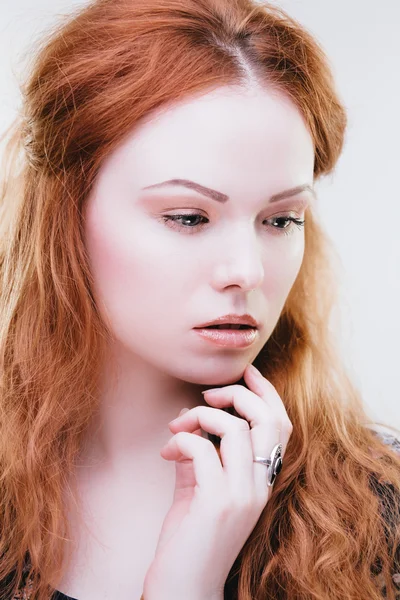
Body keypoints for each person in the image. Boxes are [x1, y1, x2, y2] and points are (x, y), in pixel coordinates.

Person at [0, 0, 399, 598]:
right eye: (189, 217)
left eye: (282, 220)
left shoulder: (378, 507)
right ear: (68, 215)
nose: (246, 270)